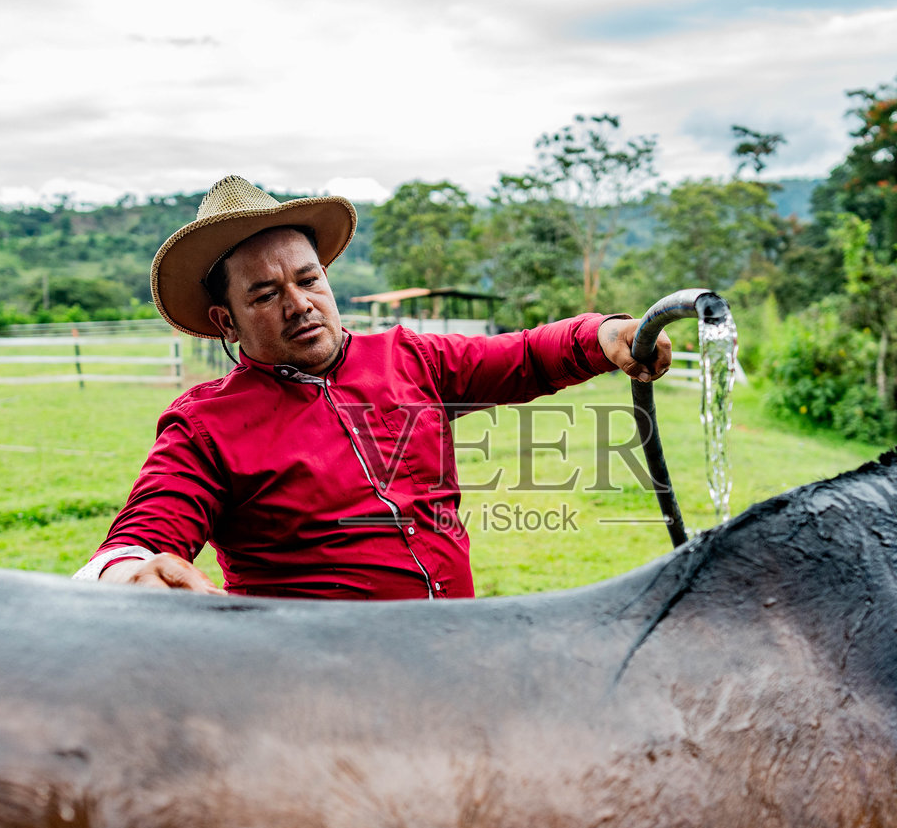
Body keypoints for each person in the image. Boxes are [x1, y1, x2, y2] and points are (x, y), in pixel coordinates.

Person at [74, 175, 670, 600]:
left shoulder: (410, 357)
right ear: (226, 321)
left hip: (458, 645)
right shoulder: (206, 425)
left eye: (309, 280)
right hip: (320, 684)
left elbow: (521, 355)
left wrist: (605, 334)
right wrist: (129, 570)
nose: (300, 304)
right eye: (264, 294)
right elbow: (144, 531)